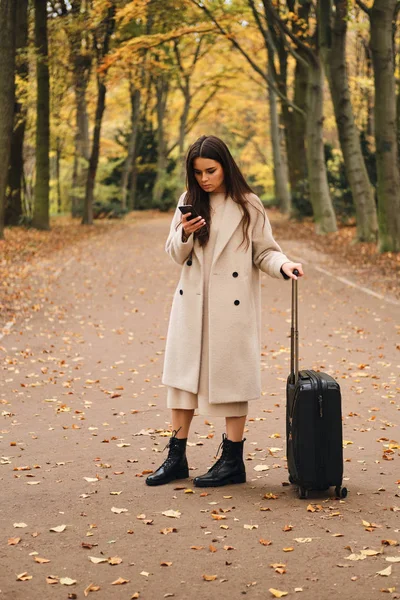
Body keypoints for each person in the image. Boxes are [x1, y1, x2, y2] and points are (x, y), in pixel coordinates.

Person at [146, 135, 304, 488]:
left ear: (226, 166)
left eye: (211, 170)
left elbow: (264, 252)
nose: (204, 179)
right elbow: (174, 253)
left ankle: (233, 460)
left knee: (232, 381)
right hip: (192, 303)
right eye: (198, 172)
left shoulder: (249, 205)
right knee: (182, 383)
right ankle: (176, 458)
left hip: (231, 309)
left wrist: (284, 265)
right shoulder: (188, 201)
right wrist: (184, 233)